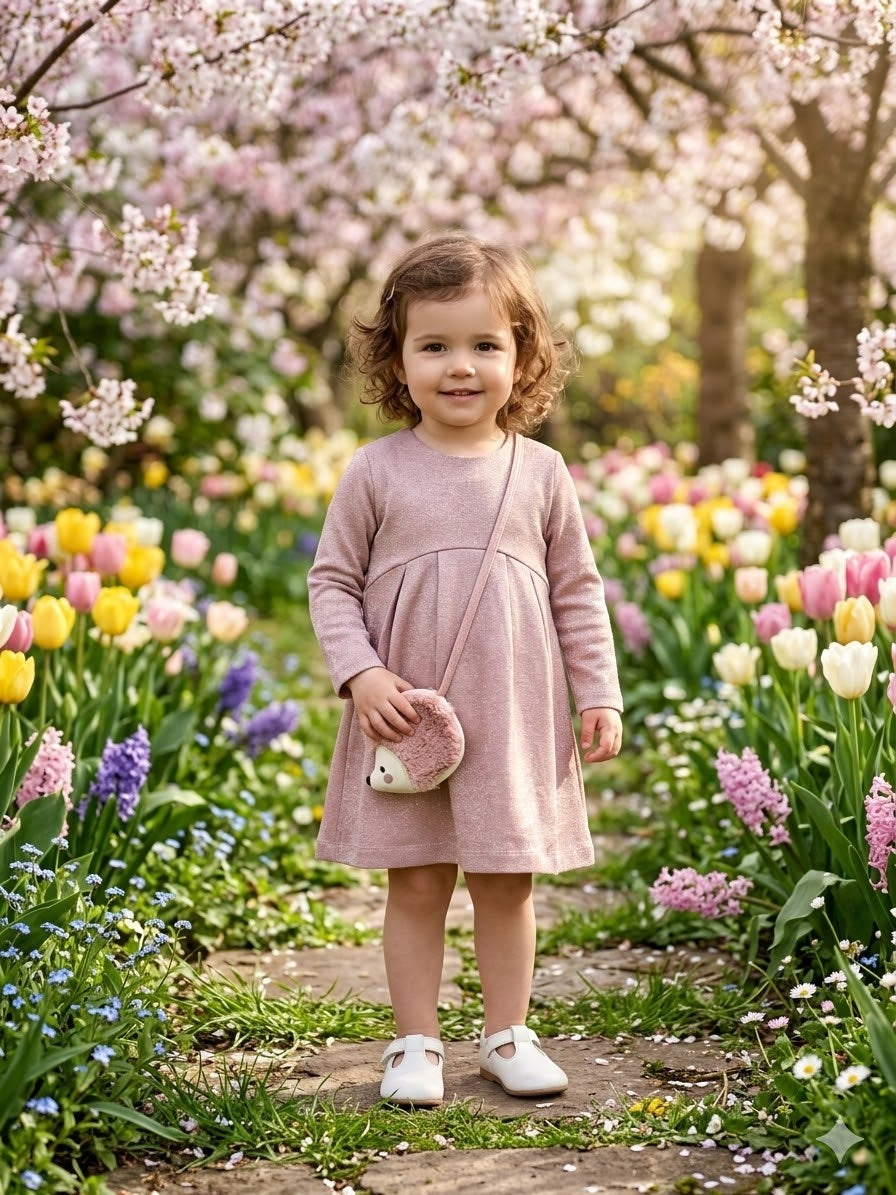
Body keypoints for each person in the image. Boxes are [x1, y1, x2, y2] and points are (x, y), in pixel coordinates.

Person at [307, 231, 623, 1107]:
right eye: (434, 345)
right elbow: (331, 582)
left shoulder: (543, 472)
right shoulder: (374, 472)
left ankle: (508, 1031)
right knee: (414, 878)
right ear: (396, 360)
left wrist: (597, 691)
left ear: (522, 357)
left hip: (512, 710)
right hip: (408, 715)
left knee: (504, 873)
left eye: (486, 344)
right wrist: (360, 674)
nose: (461, 366)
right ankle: (413, 1043)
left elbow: (577, 590)